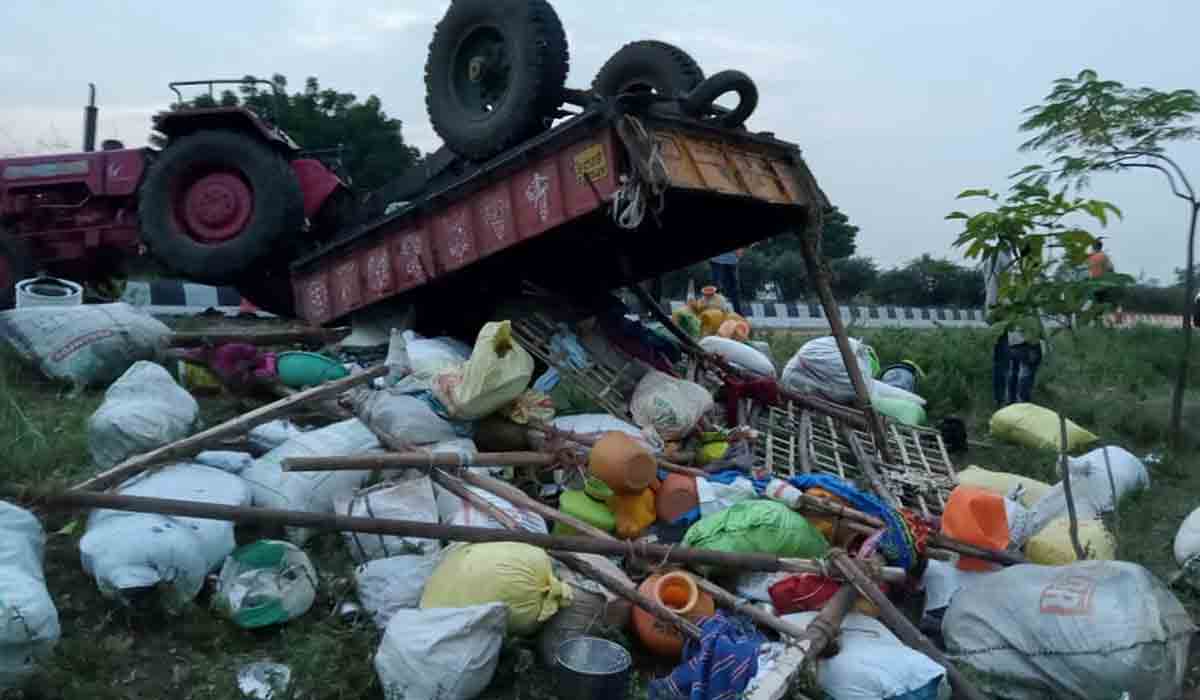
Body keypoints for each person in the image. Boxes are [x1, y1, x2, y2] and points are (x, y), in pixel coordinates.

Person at [983, 247, 1013, 407]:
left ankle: (1001, 399)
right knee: (1004, 359)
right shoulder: (1002, 258)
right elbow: (1000, 289)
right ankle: (1003, 400)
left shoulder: (994, 257)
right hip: (1002, 313)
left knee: (1002, 359)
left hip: (996, 313)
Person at [710, 249, 745, 316]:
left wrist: (739, 251)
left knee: (734, 289)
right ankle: (714, 313)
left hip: (731, 261)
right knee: (716, 288)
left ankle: (738, 314)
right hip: (717, 260)